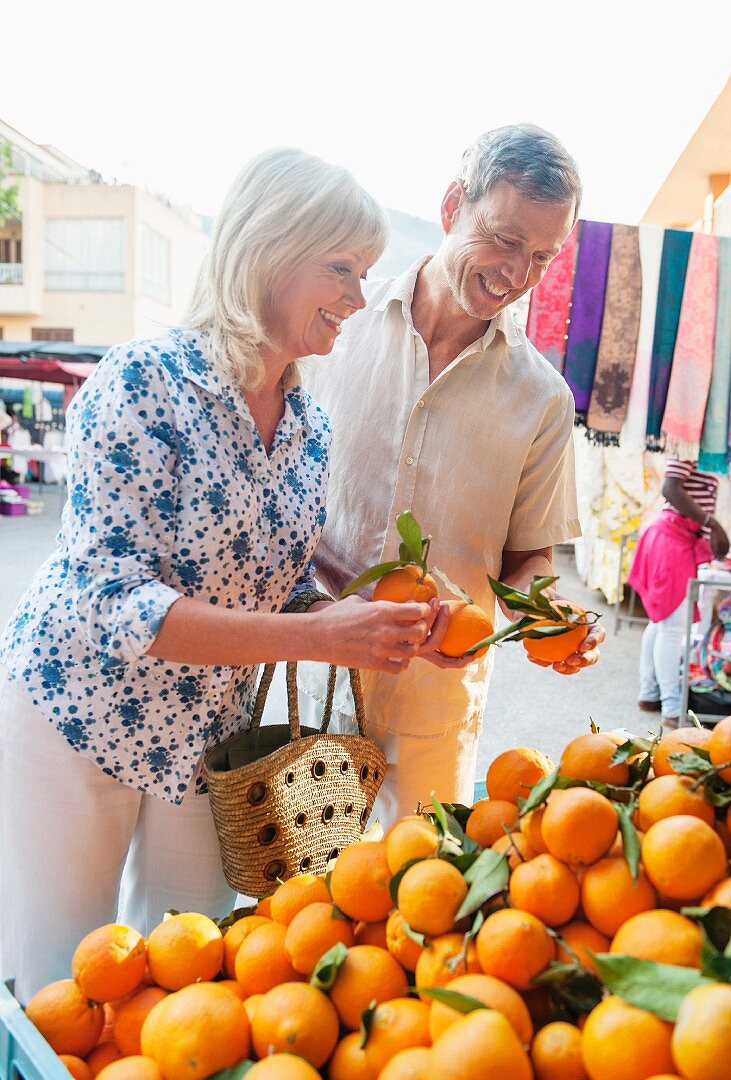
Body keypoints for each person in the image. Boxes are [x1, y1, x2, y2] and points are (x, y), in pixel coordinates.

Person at [0, 148, 436, 1001]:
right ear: (266, 251)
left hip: (205, 743)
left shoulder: (309, 425)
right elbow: (113, 598)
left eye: (365, 273)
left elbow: (275, 591)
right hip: (78, 715)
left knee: (186, 981)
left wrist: (385, 625)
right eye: (340, 268)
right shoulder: (143, 379)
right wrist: (318, 634)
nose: (356, 298)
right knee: (62, 983)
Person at [295, 125, 605, 824]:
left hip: (434, 710)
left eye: (542, 257)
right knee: (289, 910)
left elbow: (530, 555)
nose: (517, 275)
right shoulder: (333, 327)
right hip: (300, 679)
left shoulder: (542, 398)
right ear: (451, 206)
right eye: (502, 238)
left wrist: (543, 617)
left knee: (418, 909)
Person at [629, 458, 730, 729]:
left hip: (675, 539)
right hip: (671, 540)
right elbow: (670, 488)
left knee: (661, 623)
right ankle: (672, 709)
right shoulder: (689, 440)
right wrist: (713, 523)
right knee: (672, 628)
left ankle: (650, 694)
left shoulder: (707, 446)